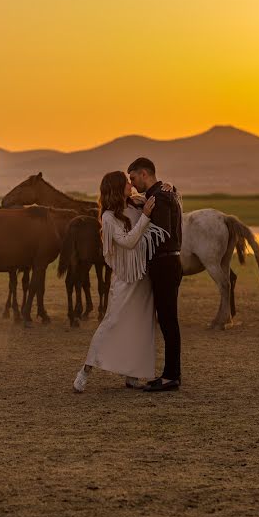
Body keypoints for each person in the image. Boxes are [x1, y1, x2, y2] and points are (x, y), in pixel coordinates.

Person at [73, 171, 169, 393]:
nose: (130, 184)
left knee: (142, 325)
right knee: (111, 323)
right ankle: (85, 370)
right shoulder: (108, 217)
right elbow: (127, 242)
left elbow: (163, 201)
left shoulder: (136, 204)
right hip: (125, 278)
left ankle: (133, 374)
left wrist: (169, 187)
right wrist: (145, 216)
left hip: (143, 276)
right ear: (117, 188)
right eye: (125, 182)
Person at [127, 157, 183, 392]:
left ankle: (171, 376)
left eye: (133, 178)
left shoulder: (159, 197)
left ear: (144, 174)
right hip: (170, 263)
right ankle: (171, 373)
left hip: (164, 264)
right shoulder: (163, 193)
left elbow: (161, 235)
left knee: (168, 321)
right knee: (168, 320)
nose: (132, 184)